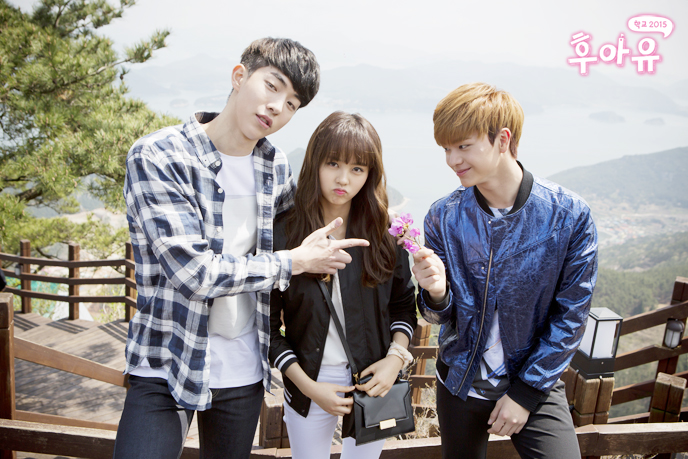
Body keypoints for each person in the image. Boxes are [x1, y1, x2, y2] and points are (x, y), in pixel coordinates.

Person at [115, 38, 371, 459]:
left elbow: (304, 242)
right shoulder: (160, 155)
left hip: (242, 368)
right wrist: (292, 262)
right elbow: (194, 274)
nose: (277, 107)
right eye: (272, 86)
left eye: (292, 104)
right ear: (239, 76)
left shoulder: (274, 165)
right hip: (168, 359)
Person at [412, 82, 598, 459]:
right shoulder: (443, 216)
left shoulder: (568, 216)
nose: (452, 159)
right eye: (446, 148)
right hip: (460, 382)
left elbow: (572, 314)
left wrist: (524, 395)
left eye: (463, 146)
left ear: (502, 140)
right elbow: (439, 317)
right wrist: (436, 293)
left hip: (534, 381)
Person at [269, 111, 417, 459]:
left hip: (374, 380)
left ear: (370, 174)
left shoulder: (384, 235)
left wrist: (395, 360)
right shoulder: (285, 233)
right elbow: (268, 327)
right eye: (333, 163)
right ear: (315, 163)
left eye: (357, 169)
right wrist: (309, 387)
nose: (343, 178)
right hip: (308, 383)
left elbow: (402, 307)